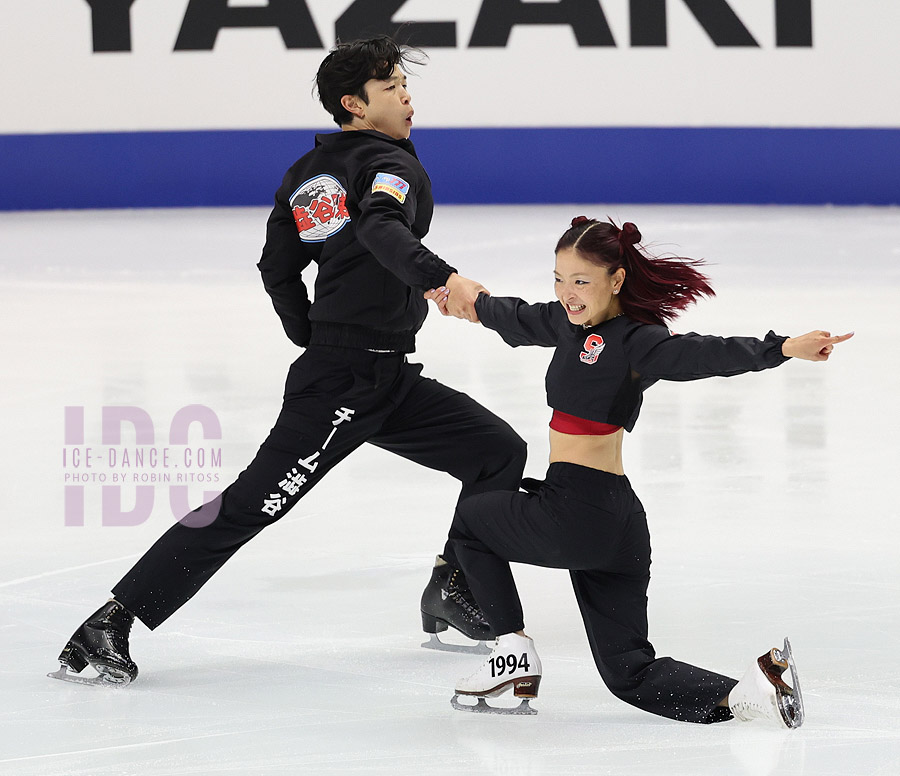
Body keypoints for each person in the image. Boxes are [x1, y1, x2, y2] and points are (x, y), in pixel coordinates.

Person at [49, 36, 526, 687]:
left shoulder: (308, 174)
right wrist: (443, 282)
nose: (407, 96)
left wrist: (314, 333)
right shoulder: (391, 167)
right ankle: (112, 620)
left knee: (496, 451)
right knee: (251, 503)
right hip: (346, 381)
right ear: (354, 105)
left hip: (379, 376)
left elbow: (278, 267)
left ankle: (453, 587)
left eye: (405, 86)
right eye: (391, 87)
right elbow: (382, 228)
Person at [426, 216, 852, 727]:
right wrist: (468, 301)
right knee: (629, 672)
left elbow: (702, 353)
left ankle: (511, 652)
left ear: (617, 280)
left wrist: (781, 348)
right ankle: (754, 690)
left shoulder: (636, 342)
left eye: (581, 281)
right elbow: (516, 317)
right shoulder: (569, 323)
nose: (567, 293)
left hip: (578, 510)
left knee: (474, 519)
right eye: (558, 279)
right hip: (617, 518)